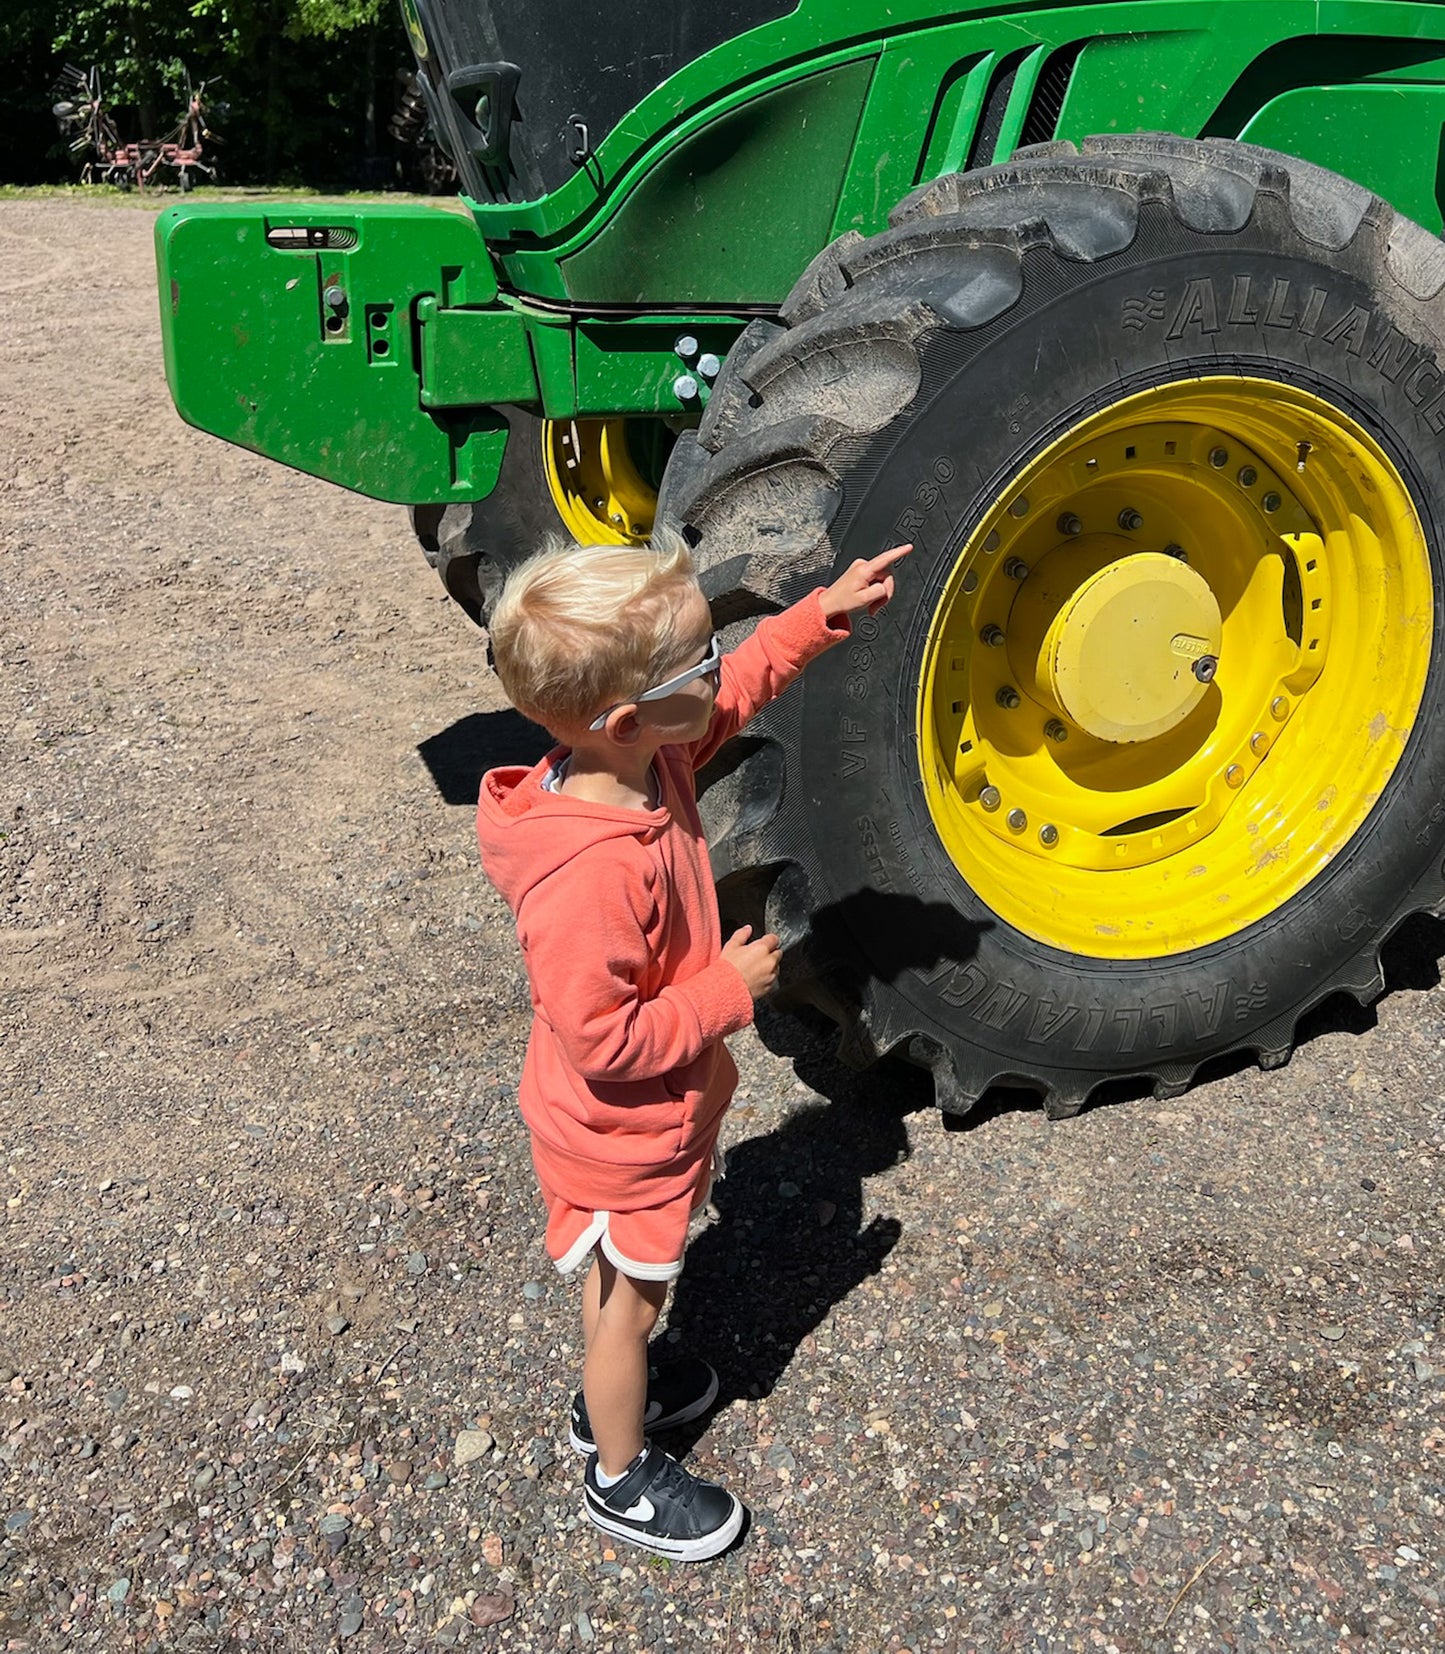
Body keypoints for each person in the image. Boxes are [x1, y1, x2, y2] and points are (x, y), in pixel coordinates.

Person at [476, 527, 909, 1560]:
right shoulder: (587, 876)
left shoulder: (642, 759)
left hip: (643, 1121)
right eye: (696, 660)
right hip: (620, 1131)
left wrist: (814, 619)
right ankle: (617, 1474)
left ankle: (609, 1396)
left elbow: (738, 693)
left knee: (620, 1284)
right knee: (629, 1301)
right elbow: (602, 1040)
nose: (717, 669)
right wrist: (725, 990)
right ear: (626, 717)